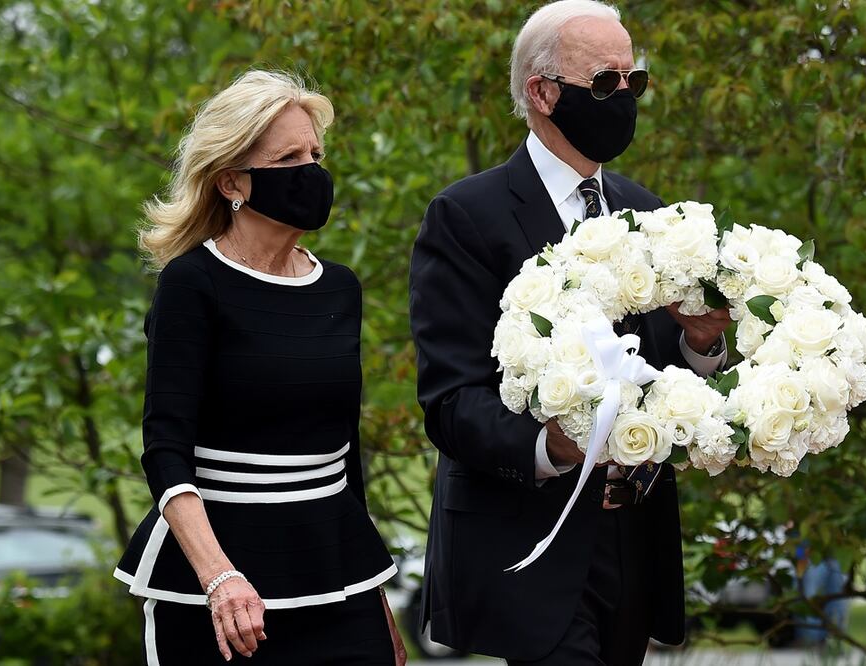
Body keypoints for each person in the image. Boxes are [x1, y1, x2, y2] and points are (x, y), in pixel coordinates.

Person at [409, 2, 730, 663]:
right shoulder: (468, 216)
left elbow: (664, 373)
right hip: (527, 546)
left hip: (632, 543)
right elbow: (450, 401)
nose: (625, 98)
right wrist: (553, 443)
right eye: (605, 83)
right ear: (543, 93)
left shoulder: (648, 211)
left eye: (632, 81)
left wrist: (700, 343)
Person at [113, 70, 405, 665]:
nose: (313, 170)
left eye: (316, 154)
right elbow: (166, 448)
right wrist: (220, 579)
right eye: (289, 157)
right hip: (219, 586)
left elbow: (345, 453)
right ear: (231, 181)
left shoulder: (339, 289)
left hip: (336, 572)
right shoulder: (192, 285)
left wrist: (374, 592)